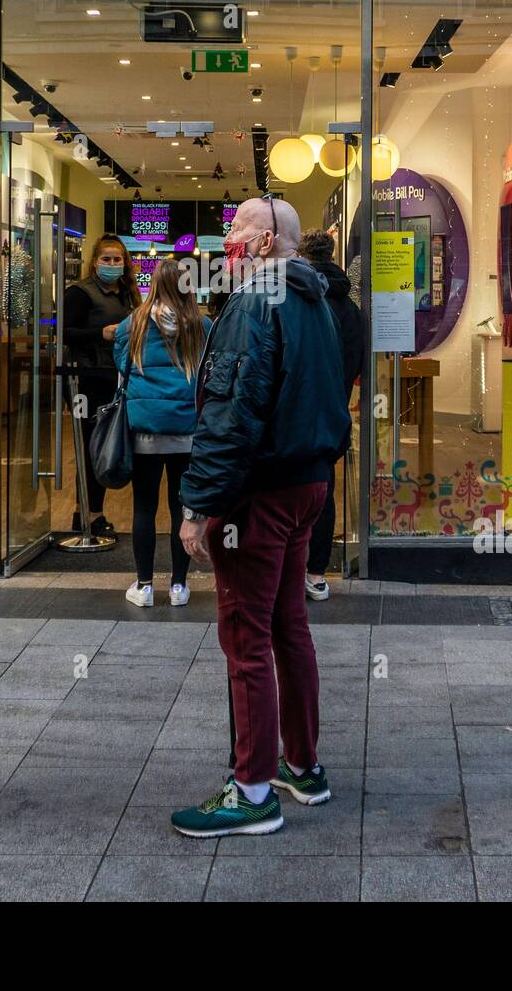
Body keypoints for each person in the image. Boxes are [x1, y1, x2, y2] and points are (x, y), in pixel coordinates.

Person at [170, 195, 351, 838]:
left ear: (269, 241)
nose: (227, 241)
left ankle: (250, 791)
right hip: (307, 486)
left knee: (246, 637)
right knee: (288, 625)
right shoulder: (317, 300)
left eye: (238, 230)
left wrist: (200, 505)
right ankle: (301, 765)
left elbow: (231, 411)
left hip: (261, 494)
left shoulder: (255, 301)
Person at [113, 257, 211, 608]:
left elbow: (120, 366)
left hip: (145, 433)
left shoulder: (133, 323)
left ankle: (143, 586)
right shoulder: (203, 325)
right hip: (188, 432)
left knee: (144, 507)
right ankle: (179, 586)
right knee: (181, 508)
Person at [298, 228, 364, 601]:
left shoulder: (300, 300)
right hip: (335, 411)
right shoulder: (349, 306)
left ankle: (290, 569)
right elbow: (354, 357)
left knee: (290, 491)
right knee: (324, 492)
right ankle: (317, 573)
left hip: (299, 412)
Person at [62, 234, 141, 537]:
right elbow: (65, 333)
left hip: (119, 378)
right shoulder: (80, 294)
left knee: (110, 446)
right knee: (93, 446)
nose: (111, 264)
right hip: (89, 379)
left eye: (117, 259)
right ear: (94, 262)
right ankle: (88, 513)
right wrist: (101, 334)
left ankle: (91, 511)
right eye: (106, 259)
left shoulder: (127, 293)